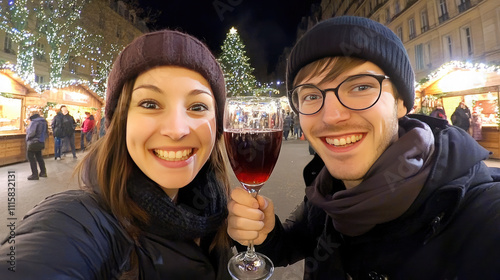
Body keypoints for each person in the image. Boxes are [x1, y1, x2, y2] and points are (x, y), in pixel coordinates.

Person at [227, 16, 500, 279]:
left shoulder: (482, 216)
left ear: (402, 102)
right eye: (311, 95)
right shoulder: (326, 192)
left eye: (360, 87)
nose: (332, 116)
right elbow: (289, 247)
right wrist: (262, 234)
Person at [0, 30, 231, 279]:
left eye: (198, 107)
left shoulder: (218, 208)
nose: (176, 130)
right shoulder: (78, 220)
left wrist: (269, 241)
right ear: (120, 121)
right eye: (150, 104)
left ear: (217, 124)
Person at [25, 109, 48, 180]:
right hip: (41, 141)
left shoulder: (34, 122)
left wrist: (27, 136)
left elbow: (32, 133)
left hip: (33, 142)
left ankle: (34, 174)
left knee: (31, 158)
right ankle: (43, 172)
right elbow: (46, 133)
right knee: (39, 157)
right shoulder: (44, 121)